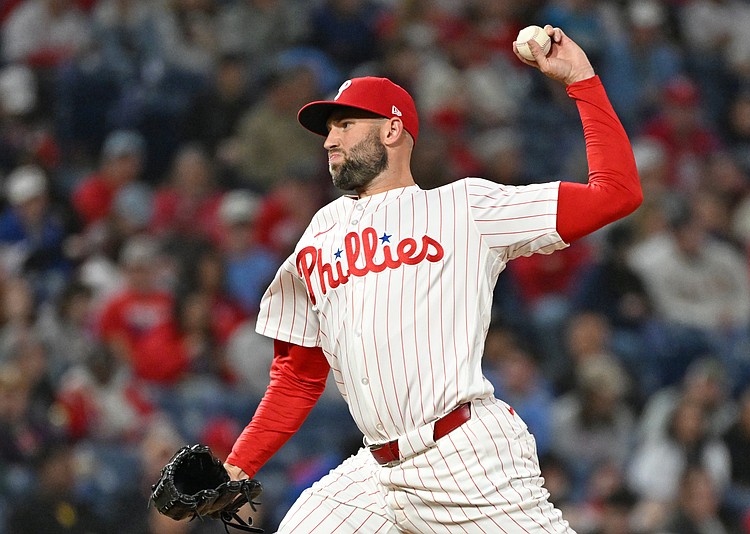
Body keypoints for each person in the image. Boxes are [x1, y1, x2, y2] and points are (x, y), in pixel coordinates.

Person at [223, 25, 642, 533]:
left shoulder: (465, 207)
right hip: (374, 472)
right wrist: (235, 468)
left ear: (392, 130)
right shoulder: (320, 232)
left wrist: (580, 79)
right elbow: (298, 375)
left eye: (345, 124)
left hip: (464, 458)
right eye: (328, 129)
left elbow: (615, 193)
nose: (330, 139)